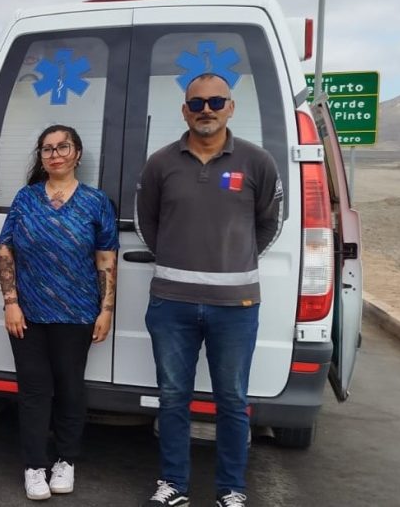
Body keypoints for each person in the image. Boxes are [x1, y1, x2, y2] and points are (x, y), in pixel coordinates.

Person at [136, 73, 283, 507]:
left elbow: (267, 224)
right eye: (197, 103)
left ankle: (232, 489)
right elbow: (149, 224)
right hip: (171, 303)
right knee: (173, 397)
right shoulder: (160, 163)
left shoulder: (258, 162)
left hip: (235, 306)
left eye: (216, 101)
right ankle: (173, 484)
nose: (206, 110)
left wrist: (233, 258)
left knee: (233, 401)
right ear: (184, 111)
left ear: (230, 107)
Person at [0, 124, 119, 501]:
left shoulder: (96, 202)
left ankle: (65, 460)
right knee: (34, 391)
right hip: (28, 314)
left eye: (62, 146)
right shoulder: (26, 198)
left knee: (69, 389)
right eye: (47, 149)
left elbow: (106, 258)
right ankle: (34, 466)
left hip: (78, 312)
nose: (55, 154)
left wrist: (106, 308)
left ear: (77, 153)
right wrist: (11, 302)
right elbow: (6, 252)